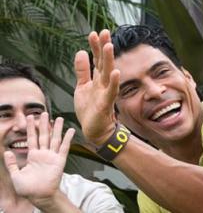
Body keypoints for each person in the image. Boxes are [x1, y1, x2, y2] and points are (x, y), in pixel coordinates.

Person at [73, 25, 203, 213]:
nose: (155, 91)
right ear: (116, 117)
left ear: (188, 76)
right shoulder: (150, 195)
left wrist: (108, 137)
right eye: (130, 90)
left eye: (161, 72)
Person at [0, 63, 123, 213]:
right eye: (4, 115)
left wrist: (52, 201)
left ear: (51, 128)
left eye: (35, 113)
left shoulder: (89, 197)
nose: (23, 125)